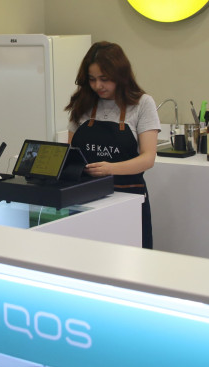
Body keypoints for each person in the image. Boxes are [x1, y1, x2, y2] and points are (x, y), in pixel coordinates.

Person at [66, 41, 160, 248]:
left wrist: (110, 169)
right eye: (92, 79)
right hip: (85, 199)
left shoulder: (142, 104)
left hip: (128, 198)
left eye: (104, 79)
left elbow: (148, 158)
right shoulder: (82, 103)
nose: (98, 86)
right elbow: (71, 152)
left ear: (120, 75)